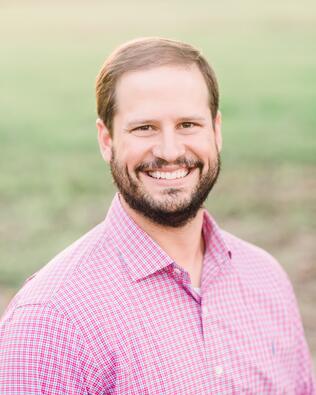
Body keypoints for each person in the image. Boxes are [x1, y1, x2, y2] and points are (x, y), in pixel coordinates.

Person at [0, 37, 315, 394]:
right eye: (144, 127)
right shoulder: (51, 320)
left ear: (216, 130)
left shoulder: (265, 278)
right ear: (106, 140)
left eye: (188, 125)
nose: (169, 151)